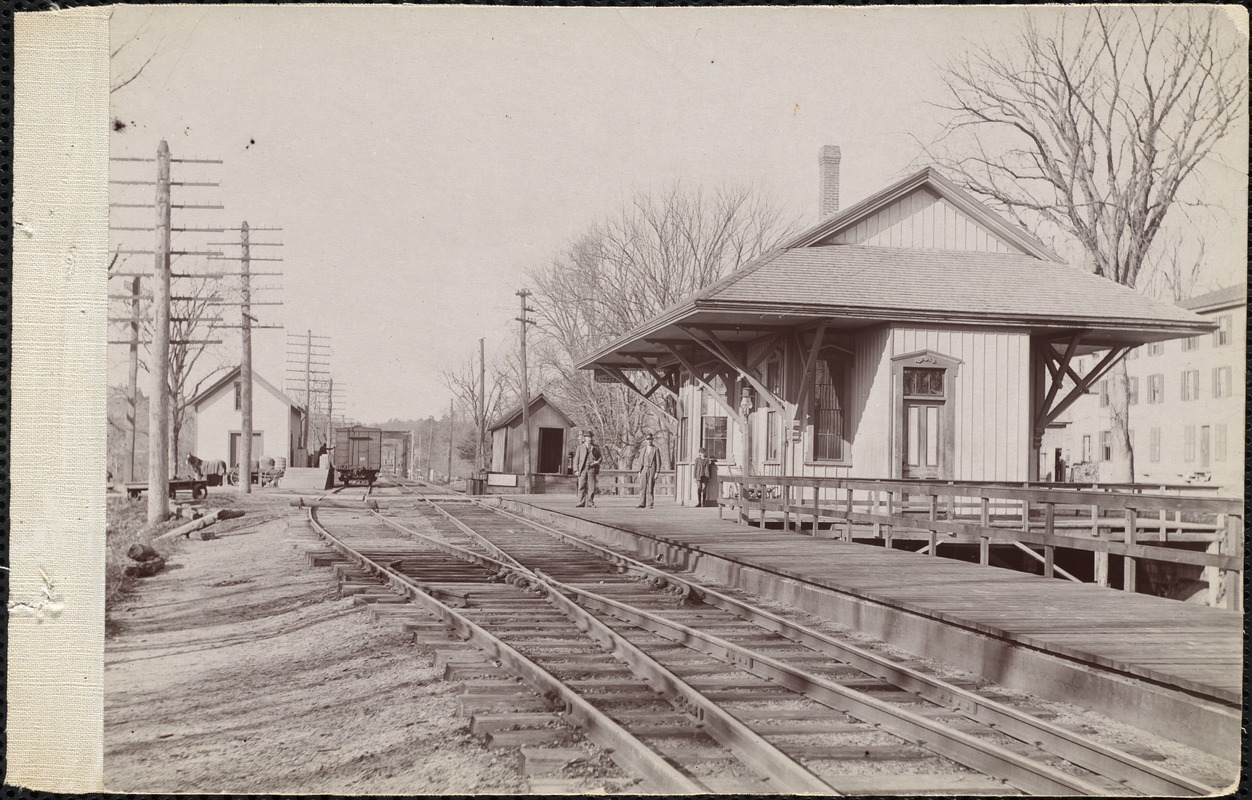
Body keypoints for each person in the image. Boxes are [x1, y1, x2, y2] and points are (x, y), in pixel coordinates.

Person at [573, 430, 602, 508]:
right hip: (582, 469)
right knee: (581, 485)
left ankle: (590, 503)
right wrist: (576, 470)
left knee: (591, 487)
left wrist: (597, 462)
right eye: (588, 437)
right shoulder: (580, 447)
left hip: (592, 469)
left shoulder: (595, 447)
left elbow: (600, 457)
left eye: (590, 437)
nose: (590, 439)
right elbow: (576, 459)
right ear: (585, 438)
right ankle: (581, 502)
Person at [635, 432, 661, 509]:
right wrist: (639, 471)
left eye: (650, 439)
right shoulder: (643, 449)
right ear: (646, 440)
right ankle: (642, 503)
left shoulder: (656, 449)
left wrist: (657, 472)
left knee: (650, 487)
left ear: (652, 440)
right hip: (644, 469)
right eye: (648, 439)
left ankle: (650, 504)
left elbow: (658, 462)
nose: (649, 440)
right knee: (642, 487)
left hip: (652, 469)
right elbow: (640, 461)